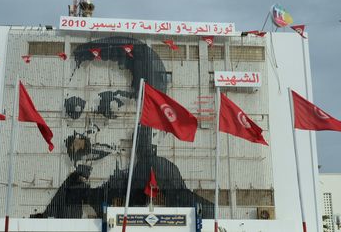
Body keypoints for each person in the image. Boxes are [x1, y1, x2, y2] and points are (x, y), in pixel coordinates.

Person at [31, 36, 213, 219]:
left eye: (107, 109)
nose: (85, 132)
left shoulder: (158, 181)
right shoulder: (72, 190)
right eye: (74, 111)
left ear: (149, 129)